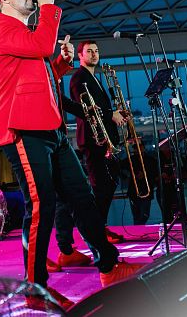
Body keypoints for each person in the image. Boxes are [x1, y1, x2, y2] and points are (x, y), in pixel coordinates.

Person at [0, 0, 143, 308]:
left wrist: (59, 65)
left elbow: (35, 75)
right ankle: (35, 291)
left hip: (50, 129)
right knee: (42, 204)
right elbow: (41, 44)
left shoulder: (26, 34)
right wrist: (48, 8)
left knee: (82, 196)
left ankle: (109, 266)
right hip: (23, 129)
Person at [70, 40, 128, 243]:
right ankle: (96, 232)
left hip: (103, 140)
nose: (94, 54)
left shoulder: (93, 77)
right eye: (89, 51)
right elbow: (86, 108)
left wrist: (116, 113)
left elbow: (99, 107)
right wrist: (110, 114)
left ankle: (100, 228)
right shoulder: (79, 78)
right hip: (93, 140)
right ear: (80, 56)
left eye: (96, 51)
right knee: (101, 188)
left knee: (108, 185)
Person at [121, 138, 157, 225]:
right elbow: (119, 167)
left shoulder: (151, 160)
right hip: (134, 191)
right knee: (137, 215)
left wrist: (145, 175)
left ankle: (139, 228)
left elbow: (155, 173)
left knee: (145, 215)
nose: (138, 149)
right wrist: (127, 175)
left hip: (146, 190)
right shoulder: (130, 160)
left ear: (143, 147)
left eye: (140, 147)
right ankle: (139, 229)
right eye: (136, 148)